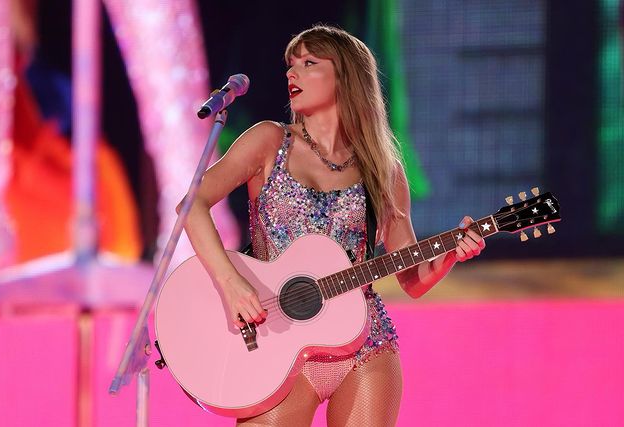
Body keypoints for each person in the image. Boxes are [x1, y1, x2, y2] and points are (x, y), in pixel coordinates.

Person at [181, 25, 485, 427]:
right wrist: (231, 282)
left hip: (364, 344)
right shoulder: (269, 141)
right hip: (278, 342)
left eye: (309, 63)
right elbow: (192, 205)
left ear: (345, 76)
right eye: (291, 64)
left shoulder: (384, 168)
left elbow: (412, 279)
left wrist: (447, 258)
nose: (292, 73)